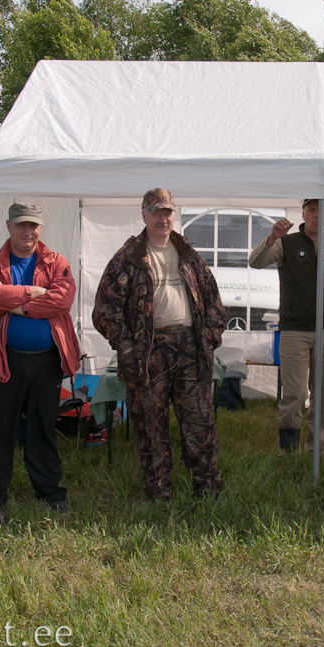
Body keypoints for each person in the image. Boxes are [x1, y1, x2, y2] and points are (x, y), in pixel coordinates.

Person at [92, 188, 227, 501]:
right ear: (143, 215)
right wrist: (127, 349)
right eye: (156, 212)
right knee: (150, 427)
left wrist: (208, 338)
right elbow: (105, 310)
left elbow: (214, 303)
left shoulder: (189, 256)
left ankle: (207, 491)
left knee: (199, 423)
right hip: (148, 352)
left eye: (167, 212)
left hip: (191, 348)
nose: (162, 218)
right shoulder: (129, 257)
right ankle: (159, 493)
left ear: (173, 214)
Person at [0, 202, 82, 525]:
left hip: (47, 362)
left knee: (43, 428)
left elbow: (62, 299)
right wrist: (33, 292)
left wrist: (17, 306)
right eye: (21, 225)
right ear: (8, 226)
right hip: (4, 361)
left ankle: (50, 493)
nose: (27, 231)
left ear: (40, 227)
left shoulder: (56, 261)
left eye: (33, 225)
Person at [249, 199, 324, 454]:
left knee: (323, 393)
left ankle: (316, 447)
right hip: (295, 329)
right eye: (311, 210)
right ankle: (288, 450)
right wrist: (273, 237)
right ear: (304, 214)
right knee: (294, 393)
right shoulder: (287, 243)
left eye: (321, 211)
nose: (316, 216)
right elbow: (255, 261)